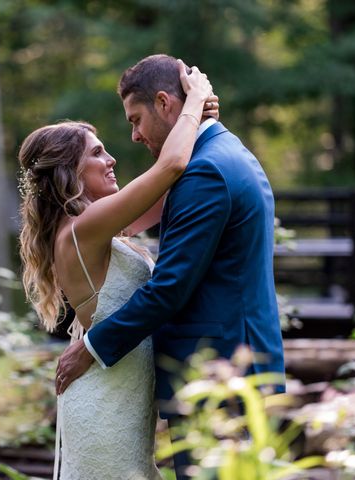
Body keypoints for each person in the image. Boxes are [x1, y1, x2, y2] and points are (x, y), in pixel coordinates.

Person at [55, 54, 286, 480]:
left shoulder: (204, 172)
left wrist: (91, 347)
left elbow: (170, 288)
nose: (136, 135)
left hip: (219, 373)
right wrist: (196, 106)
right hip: (229, 367)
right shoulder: (222, 155)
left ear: (164, 104)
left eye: (136, 119)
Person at [18, 61, 216, 479]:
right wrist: (194, 100)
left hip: (122, 403)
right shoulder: (81, 231)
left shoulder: (97, 226)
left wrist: (200, 119)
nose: (110, 159)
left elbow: (171, 189)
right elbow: (171, 167)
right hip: (105, 409)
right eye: (96, 153)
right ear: (69, 172)